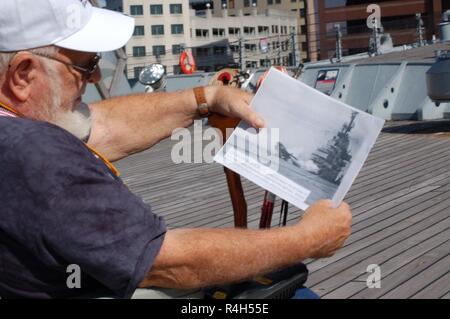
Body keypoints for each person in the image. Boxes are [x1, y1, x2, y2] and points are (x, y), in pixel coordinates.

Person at [0, 0, 352, 299]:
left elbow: (101, 125)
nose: (93, 79)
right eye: (86, 65)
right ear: (23, 75)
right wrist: (307, 239)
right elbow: (168, 262)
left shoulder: (17, 125)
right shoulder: (40, 157)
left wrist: (208, 98)